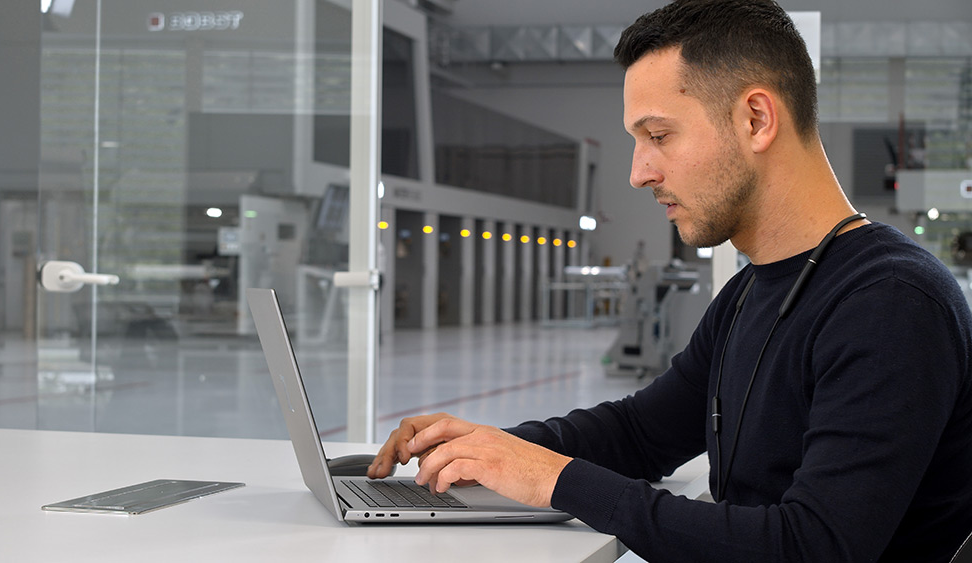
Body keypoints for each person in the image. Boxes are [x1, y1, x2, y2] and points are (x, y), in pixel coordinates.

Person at [367, 1, 972, 560]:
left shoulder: (890, 303)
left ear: (756, 119)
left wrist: (553, 479)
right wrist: (488, 447)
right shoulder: (749, 292)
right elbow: (640, 433)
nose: (638, 172)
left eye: (658, 136)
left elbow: (813, 547)